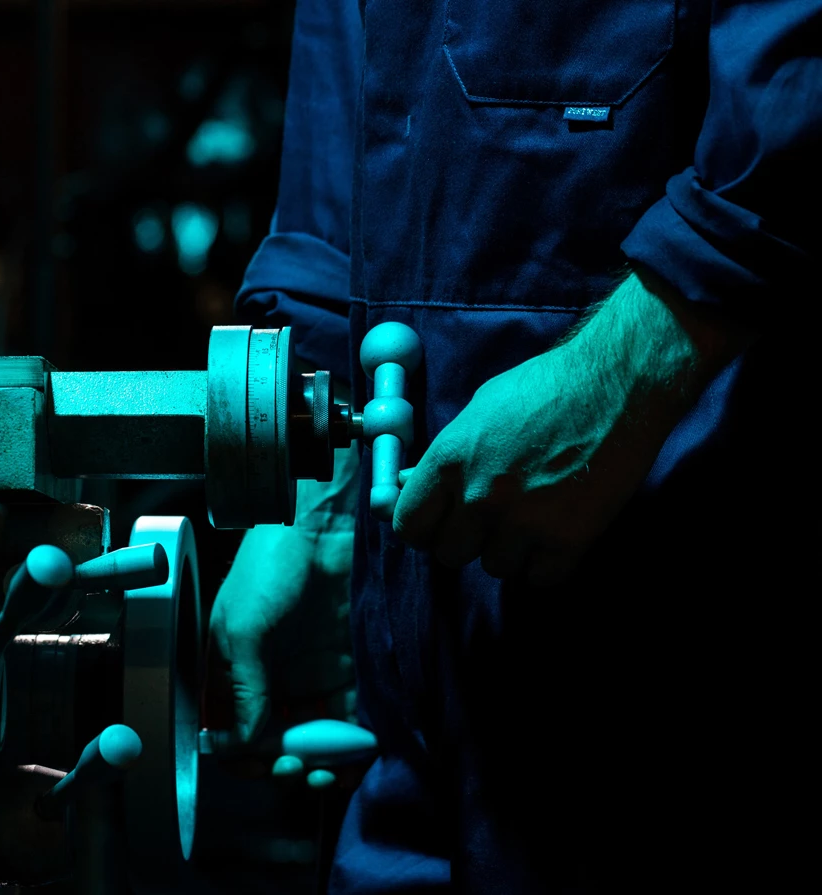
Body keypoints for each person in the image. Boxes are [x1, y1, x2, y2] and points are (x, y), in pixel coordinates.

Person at [209, 0, 818, 891]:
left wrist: (647, 351)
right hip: (415, 723)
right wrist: (319, 493)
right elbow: (342, 112)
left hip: (698, 660)